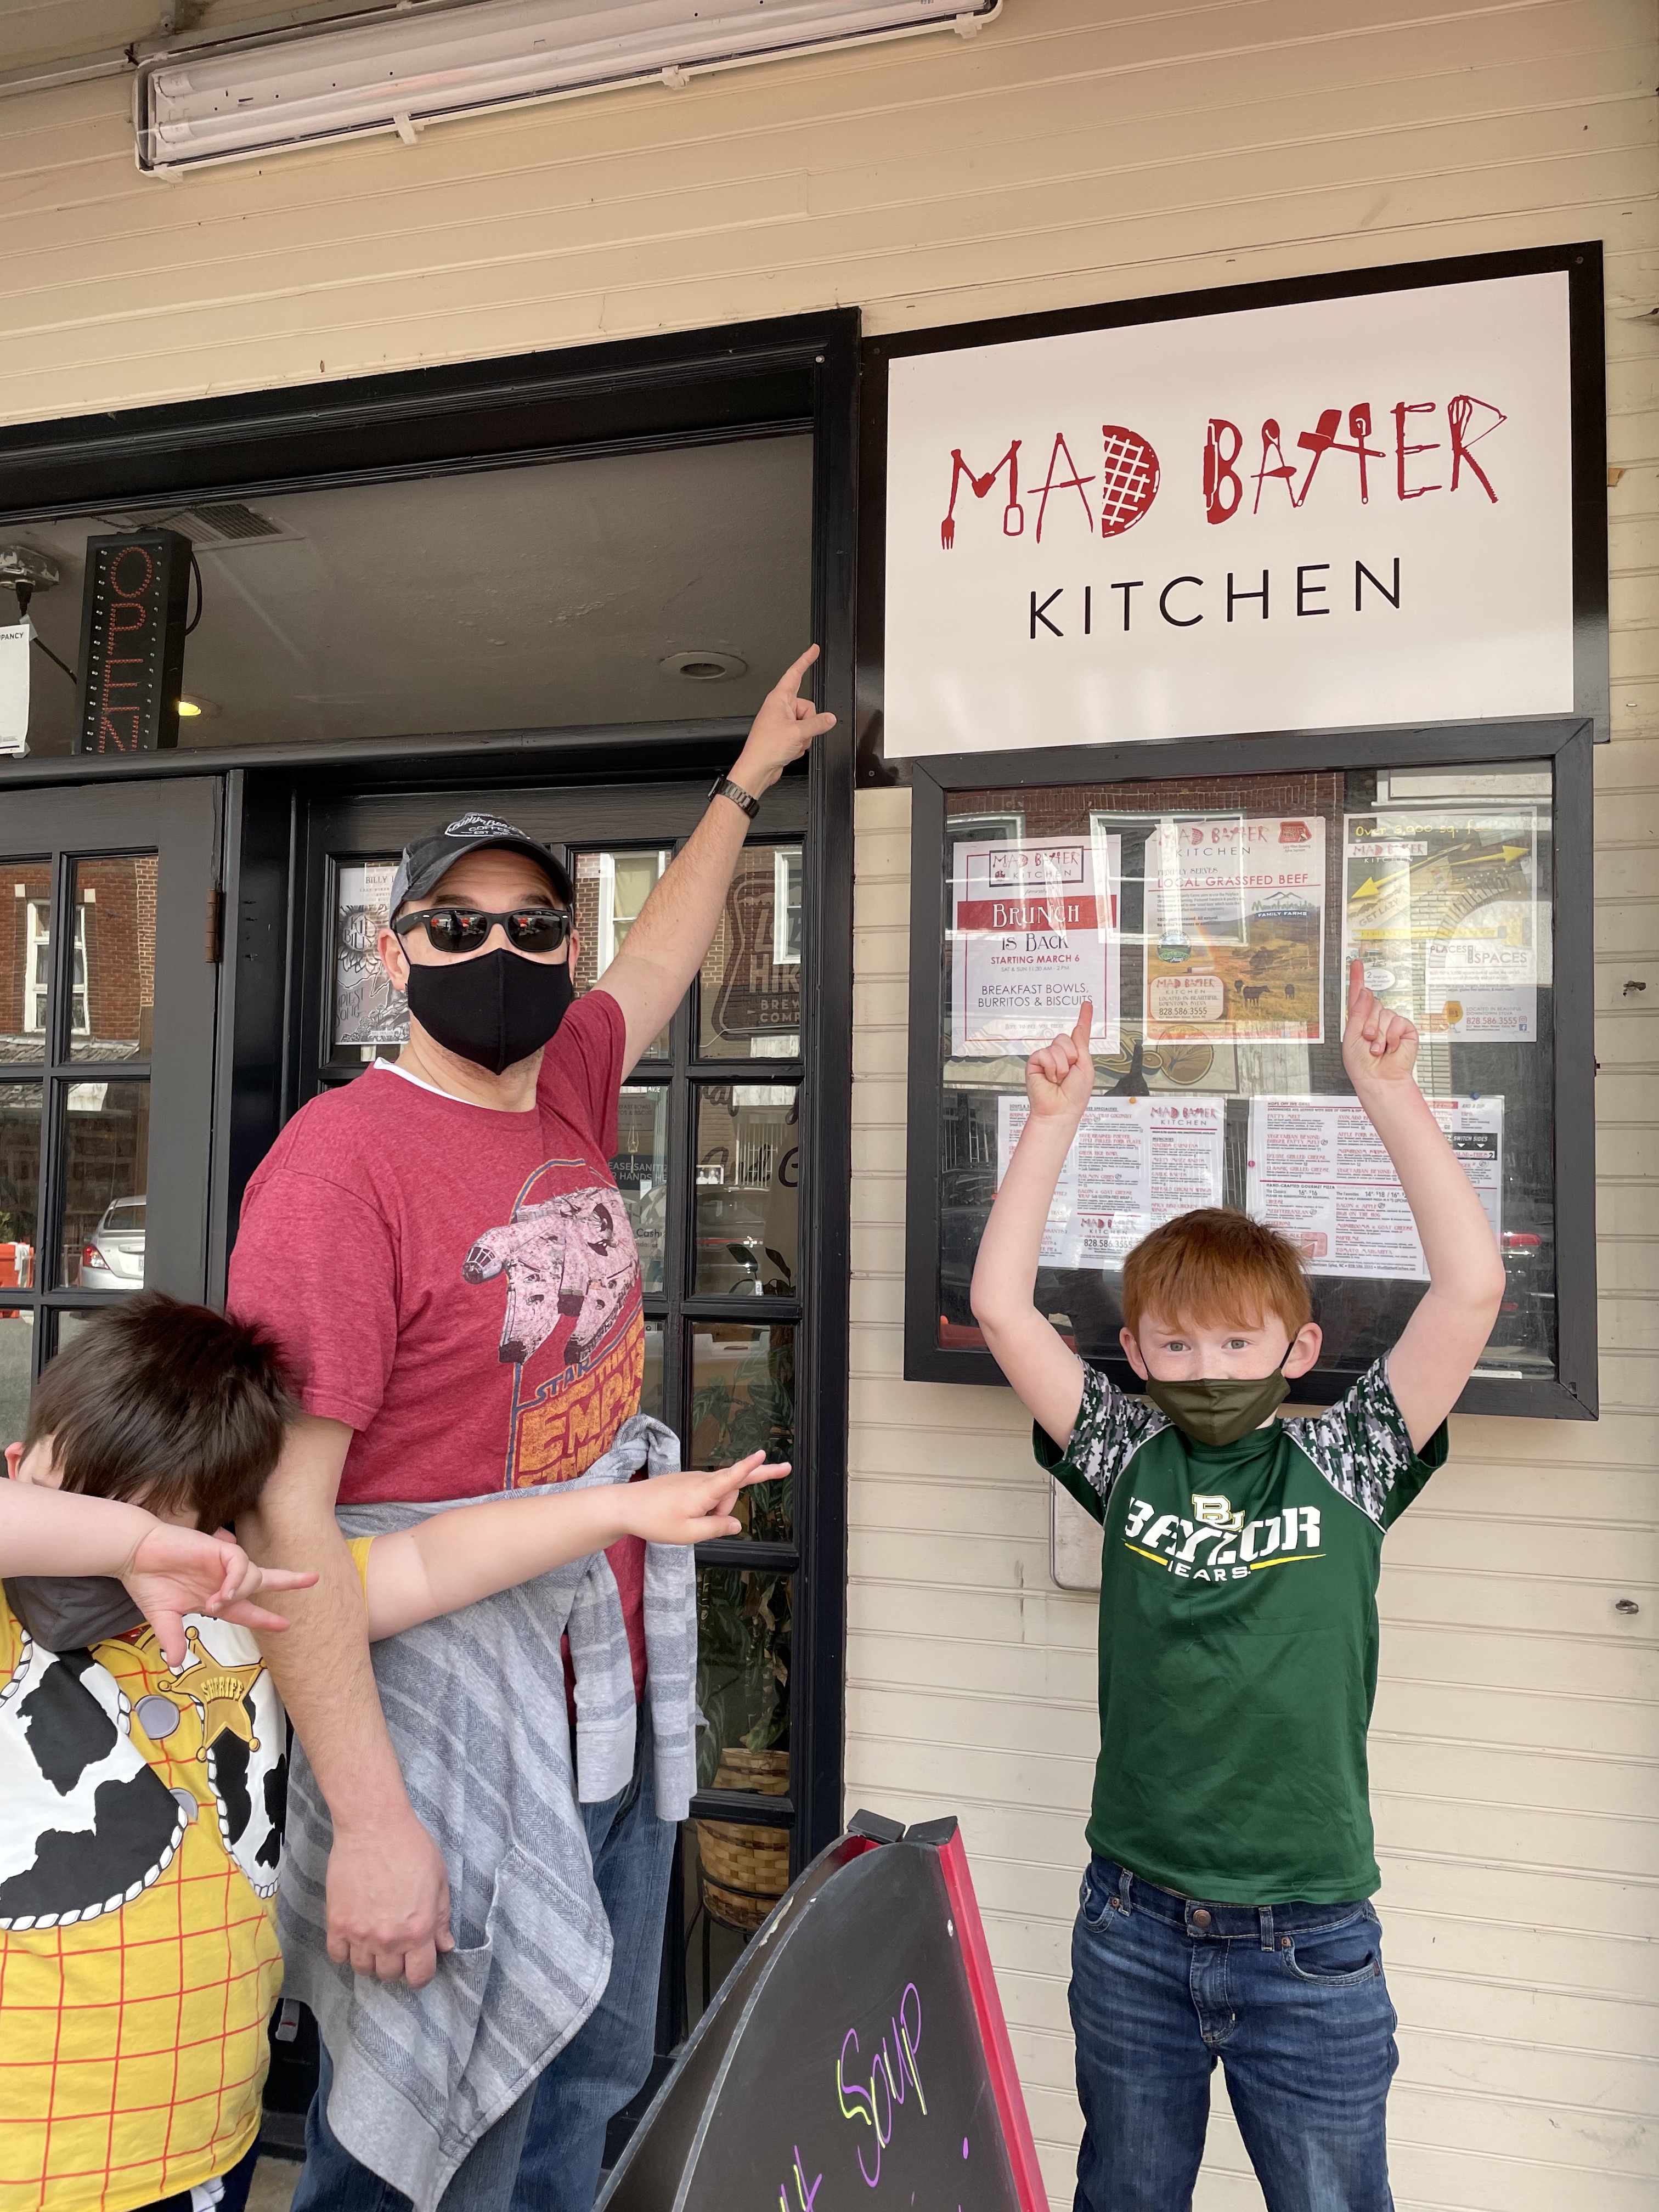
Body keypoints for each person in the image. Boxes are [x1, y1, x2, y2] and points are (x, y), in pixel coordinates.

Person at [227, 646, 834, 2212]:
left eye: (533, 926)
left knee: (580, 2094)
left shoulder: (563, 1082)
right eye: (457, 925)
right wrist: (372, 1824)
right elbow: (287, 1520)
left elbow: (665, 955)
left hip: (601, 1697)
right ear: (393, 952)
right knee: (427, 2139)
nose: (497, 951)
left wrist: (743, 786)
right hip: (435, 1721)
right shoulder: (337, 1169)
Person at [0, 1293, 776, 2212]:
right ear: (16, 1468)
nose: (128, 1564)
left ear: (218, 1530)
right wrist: (130, 1542)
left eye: (163, 1529)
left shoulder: (249, 1605)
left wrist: (621, 1508)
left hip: (197, 2142)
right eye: (79, 1506)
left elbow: (429, 1562)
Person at [969, 963, 1506, 2212]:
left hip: (1308, 1941)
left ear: (1298, 1349)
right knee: (1126, 2192)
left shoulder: (1348, 1462)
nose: (1205, 1366)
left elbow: (1471, 1290)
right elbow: (1000, 1307)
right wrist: (1051, 1122)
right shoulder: (1124, 1454)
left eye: (1236, 1341)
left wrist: (1390, 1095)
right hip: (1132, 1924)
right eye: (1174, 1343)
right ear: (1135, 1354)